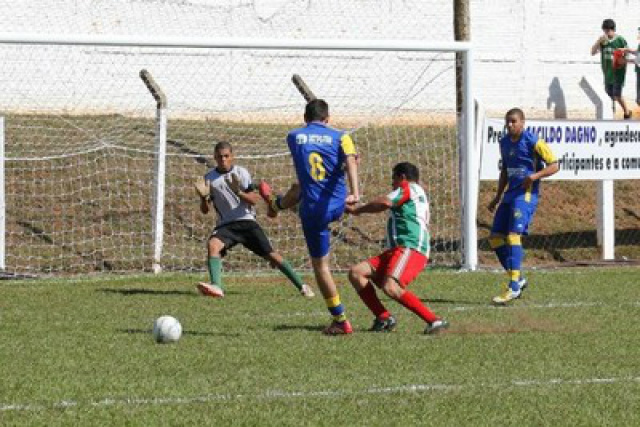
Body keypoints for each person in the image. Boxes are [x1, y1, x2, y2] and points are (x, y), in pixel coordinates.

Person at [258, 98, 360, 335]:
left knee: (321, 267)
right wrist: (355, 192)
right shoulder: (342, 136)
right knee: (299, 187)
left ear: (305, 118)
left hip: (314, 211)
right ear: (328, 118)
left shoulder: (294, 137)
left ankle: (340, 320)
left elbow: (310, 159)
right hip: (338, 203)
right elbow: (351, 161)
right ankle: (277, 204)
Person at [194, 141, 315, 299]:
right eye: (219, 156)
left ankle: (302, 286)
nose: (223, 159)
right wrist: (203, 198)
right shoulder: (209, 178)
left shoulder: (241, 172)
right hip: (226, 225)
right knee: (213, 245)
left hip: (246, 221)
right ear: (214, 157)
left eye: (226, 156)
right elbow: (204, 211)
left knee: (272, 256)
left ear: (232, 156)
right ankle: (217, 286)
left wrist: (238, 192)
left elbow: (254, 200)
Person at [345, 162, 449, 335]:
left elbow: (385, 202)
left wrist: (357, 210)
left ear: (402, 177)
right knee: (356, 273)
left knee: (391, 287)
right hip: (398, 249)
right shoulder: (414, 192)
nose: (391, 184)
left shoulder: (409, 188)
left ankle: (435, 320)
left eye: (393, 179)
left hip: (411, 247)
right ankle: (384, 317)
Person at [487, 108, 559, 305]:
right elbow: (504, 171)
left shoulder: (533, 141)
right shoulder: (503, 142)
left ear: (522, 122)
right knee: (494, 238)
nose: (510, 125)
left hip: (525, 195)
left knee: (512, 235)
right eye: (507, 122)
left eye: (513, 121)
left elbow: (554, 165)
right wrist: (497, 197)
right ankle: (517, 277)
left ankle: (513, 287)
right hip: (510, 194)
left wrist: (534, 177)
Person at [591, 18, 632, 119]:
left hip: (618, 73)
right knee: (609, 98)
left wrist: (622, 61)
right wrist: (598, 41)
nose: (606, 33)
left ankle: (626, 112)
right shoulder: (603, 42)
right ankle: (610, 116)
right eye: (605, 30)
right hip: (607, 73)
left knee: (617, 95)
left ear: (613, 29)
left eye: (608, 30)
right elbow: (592, 52)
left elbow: (627, 55)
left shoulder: (620, 40)